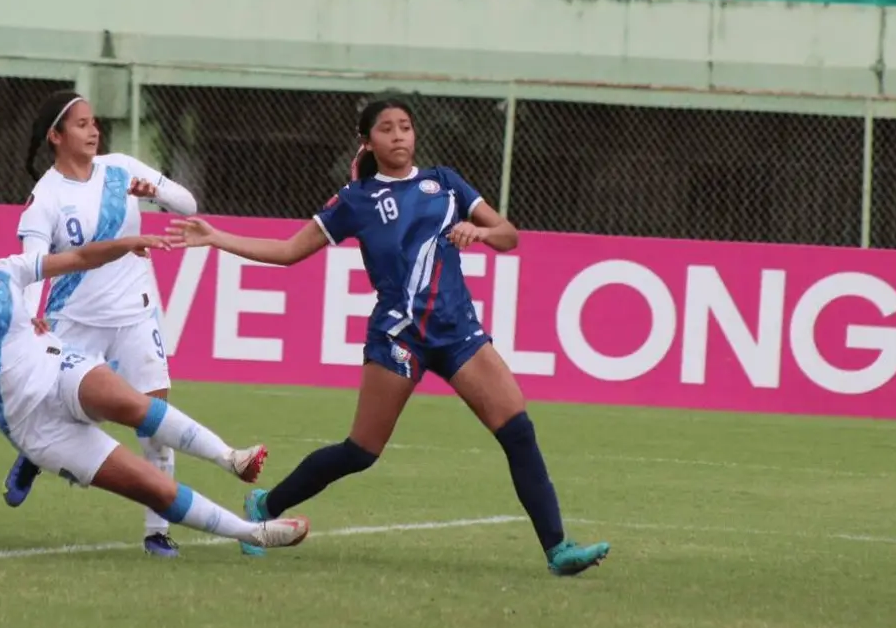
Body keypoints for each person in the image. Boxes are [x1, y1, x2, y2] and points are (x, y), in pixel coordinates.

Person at [165, 95, 610, 577]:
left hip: (458, 332)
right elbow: (290, 250)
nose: (399, 136)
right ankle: (265, 504)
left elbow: (508, 234)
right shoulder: (355, 200)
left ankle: (557, 549)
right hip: (398, 336)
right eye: (387, 129)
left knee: (518, 431)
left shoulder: (445, 183)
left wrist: (480, 233)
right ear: (368, 142)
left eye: (405, 127)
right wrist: (216, 237)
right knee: (361, 451)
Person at [0, 200, 311, 553]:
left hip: (59, 370)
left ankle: (230, 457)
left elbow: (77, 257)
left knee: (131, 404)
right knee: (153, 490)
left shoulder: (8, 270)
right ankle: (253, 534)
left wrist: (127, 242)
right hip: (34, 429)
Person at [4, 90, 265, 558]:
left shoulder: (121, 167)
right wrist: (30, 316)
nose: (93, 130)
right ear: (55, 136)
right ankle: (33, 456)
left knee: (155, 422)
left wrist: (157, 192)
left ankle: (156, 530)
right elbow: (31, 264)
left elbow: (187, 205)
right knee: (61, 412)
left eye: (94, 122)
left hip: (136, 314)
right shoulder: (46, 196)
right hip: (74, 320)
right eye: (81, 124)